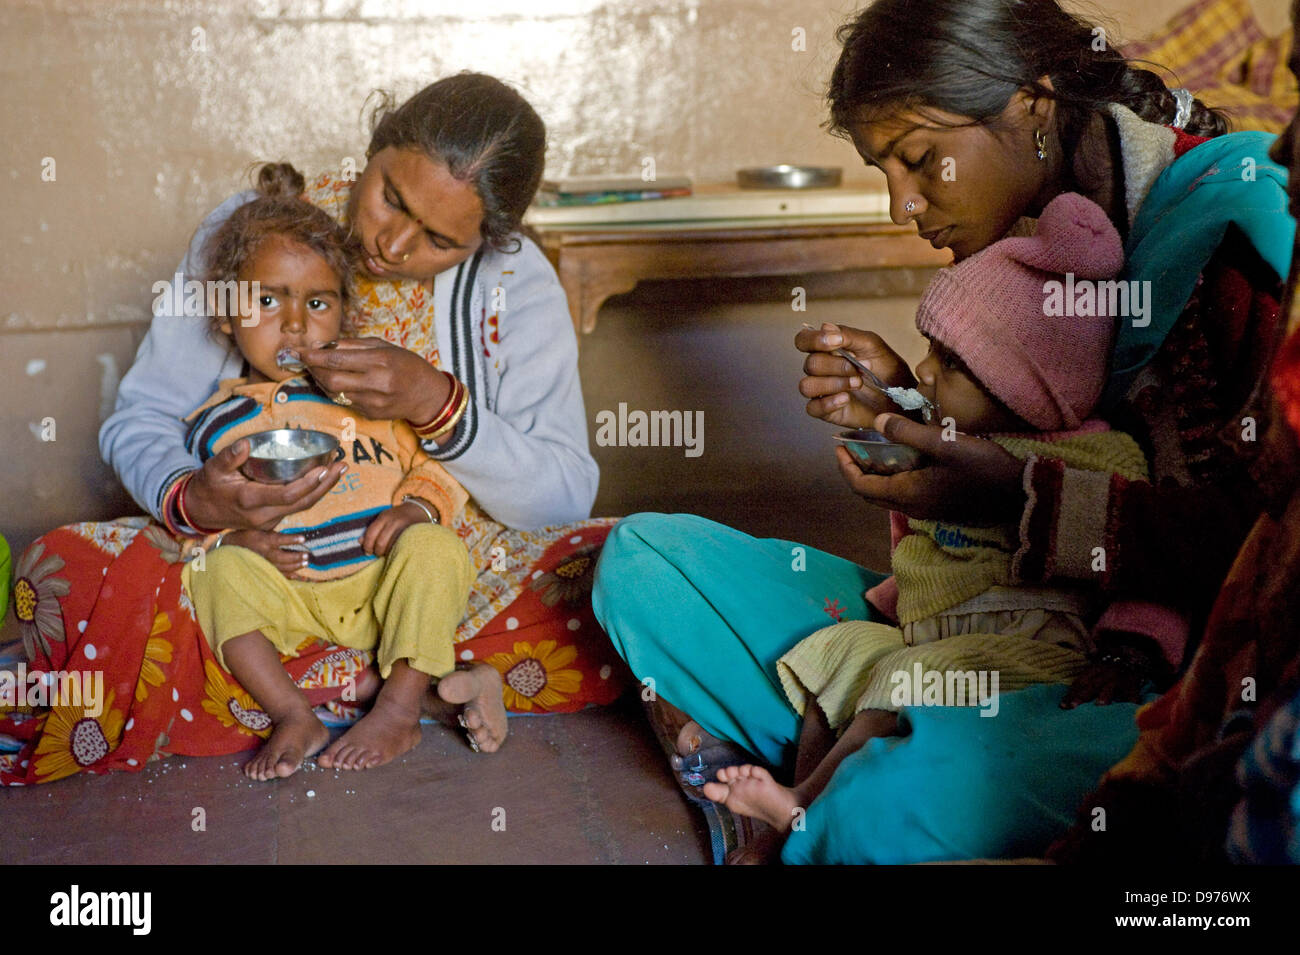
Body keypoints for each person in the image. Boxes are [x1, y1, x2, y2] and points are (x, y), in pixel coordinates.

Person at [593, 0, 1295, 864]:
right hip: (958, 633)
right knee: (641, 564)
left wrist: (1009, 492)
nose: (902, 206)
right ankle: (875, 750)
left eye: (922, 160)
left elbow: (1261, 552)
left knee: (892, 805)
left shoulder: (1235, 232)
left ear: (1032, 105)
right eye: (886, 170)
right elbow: (1040, 408)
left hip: (1138, 678)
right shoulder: (1036, 230)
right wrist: (918, 410)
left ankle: (850, 777)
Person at [1, 73, 628, 786]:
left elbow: (564, 495)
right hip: (270, 565)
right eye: (390, 196)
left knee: (610, 564)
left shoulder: (515, 285)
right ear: (376, 142)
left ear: (489, 241)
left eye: (438, 240)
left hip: (439, 562)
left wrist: (437, 404)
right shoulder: (253, 230)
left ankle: (312, 687)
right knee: (67, 568)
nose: (392, 243)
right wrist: (196, 502)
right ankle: (425, 682)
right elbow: (141, 416)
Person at [703, 192, 1162, 854]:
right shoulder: (958, 430)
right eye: (930, 352)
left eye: (947, 365)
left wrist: (1132, 647)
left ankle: (803, 810)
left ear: (1023, 391)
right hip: (936, 636)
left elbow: (1149, 572)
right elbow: (943, 485)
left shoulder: (1100, 457)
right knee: (837, 655)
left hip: (1024, 650)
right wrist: (897, 400)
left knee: (901, 680)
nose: (923, 372)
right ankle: (806, 793)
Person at [180, 162, 487, 779]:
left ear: (345, 315)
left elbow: (439, 467)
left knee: (435, 550)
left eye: (316, 302)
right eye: (267, 301)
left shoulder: (367, 396)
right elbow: (201, 515)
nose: (294, 323)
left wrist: (415, 511)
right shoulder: (214, 422)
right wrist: (239, 541)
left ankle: (398, 707)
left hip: (378, 588)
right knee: (213, 571)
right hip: (288, 596)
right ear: (223, 319)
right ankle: (295, 713)